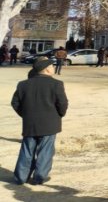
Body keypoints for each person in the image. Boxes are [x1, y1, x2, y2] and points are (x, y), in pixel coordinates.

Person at [11, 57, 68, 185]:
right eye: (52, 66)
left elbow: (15, 103)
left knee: (27, 150)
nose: (53, 68)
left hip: (30, 123)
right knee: (45, 151)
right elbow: (62, 104)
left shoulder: (23, 84)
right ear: (47, 69)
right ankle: (39, 177)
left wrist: (25, 114)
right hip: (49, 124)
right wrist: (59, 114)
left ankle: (21, 177)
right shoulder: (57, 84)